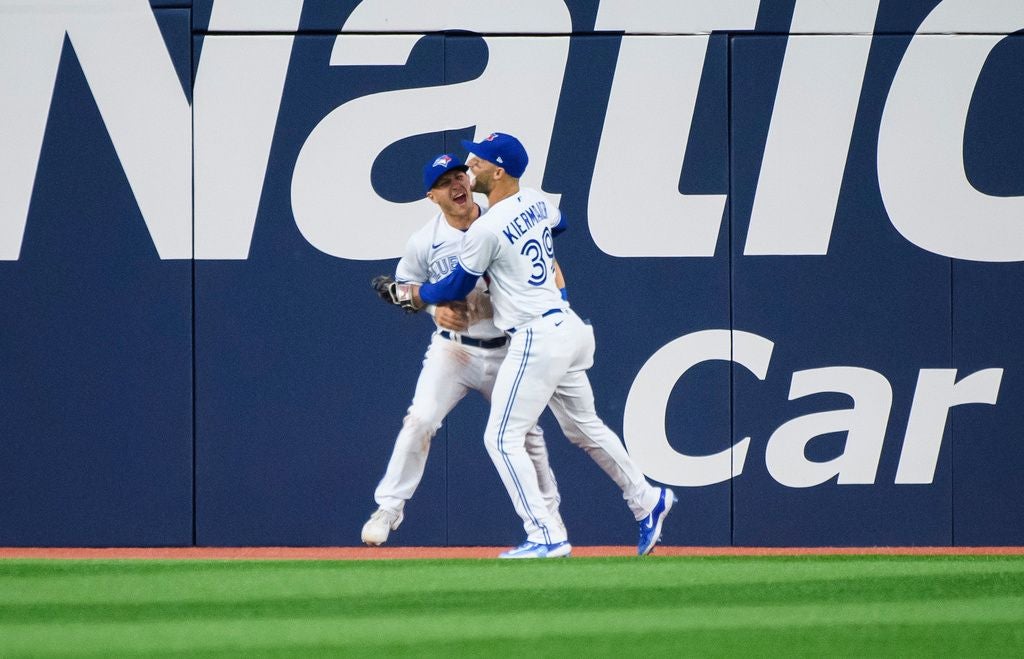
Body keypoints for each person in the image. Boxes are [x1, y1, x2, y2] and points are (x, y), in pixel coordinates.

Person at [406, 132, 676, 558]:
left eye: (476, 163)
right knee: (583, 427)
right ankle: (646, 499)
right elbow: (558, 223)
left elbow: (456, 285)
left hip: (536, 334)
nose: (468, 167)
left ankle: (545, 534)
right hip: (566, 324)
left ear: (498, 171)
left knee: (501, 437)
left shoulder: (487, 228)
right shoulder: (535, 200)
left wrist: (417, 296)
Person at [361, 153, 564, 546]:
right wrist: (435, 309)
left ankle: (550, 517)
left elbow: (550, 264)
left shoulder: (501, 216)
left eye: (460, 176)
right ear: (431, 196)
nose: (457, 185)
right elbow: (404, 289)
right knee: (420, 420)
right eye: (444, 182)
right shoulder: (424, 241)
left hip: (509, 347)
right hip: (455, 352)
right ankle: (389, 507)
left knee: (526, 435)